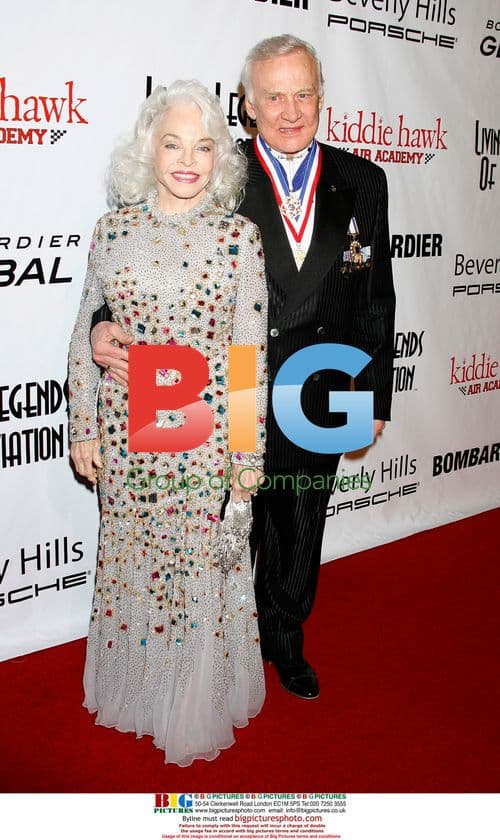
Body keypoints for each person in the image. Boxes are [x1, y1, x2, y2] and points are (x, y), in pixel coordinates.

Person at [90, 35, 396, 701]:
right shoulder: (218, 176)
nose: (290, 110)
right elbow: (145, 255)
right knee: (216, 533)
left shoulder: (364, 182)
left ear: (321, 98)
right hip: (220, 390)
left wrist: (373, 396)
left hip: (320, 383)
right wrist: (100, 323)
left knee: (300, 522)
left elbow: (376, 299)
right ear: (248, 106)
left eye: (303, 94)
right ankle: (216, 650)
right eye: (274, 96)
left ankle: (284, 638)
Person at [68, 80, 268, 766]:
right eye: (172, 143)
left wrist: (245, 466)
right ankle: (143, 692)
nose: (187, 159)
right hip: (126, 434)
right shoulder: (112, 230)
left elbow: (248, 359)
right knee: (134, 563)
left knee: (193, 568)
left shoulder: (240, 239)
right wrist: (83, 426)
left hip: (203, 433)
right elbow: (84, 331)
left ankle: (188, 699)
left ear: (220, 159)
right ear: (148, 150)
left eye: (204, 146)